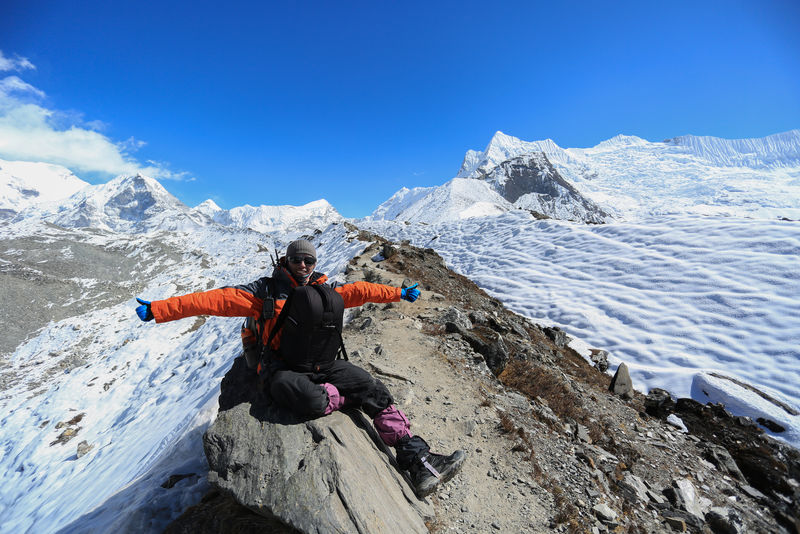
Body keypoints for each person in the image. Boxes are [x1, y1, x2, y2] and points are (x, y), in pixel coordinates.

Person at [135, 238, 464, 497]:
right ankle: (342, 397)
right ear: (286, 260)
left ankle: (417, 461)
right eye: (297, 259)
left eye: (309, 260)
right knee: (307, 400)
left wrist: (397, 293)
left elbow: (361, 291)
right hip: (283, 368)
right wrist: (161, 310)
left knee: (372, 387)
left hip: (323, 364)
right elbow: (213, 300)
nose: (303, 265)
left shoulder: (324, 288)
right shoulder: (263, 292)